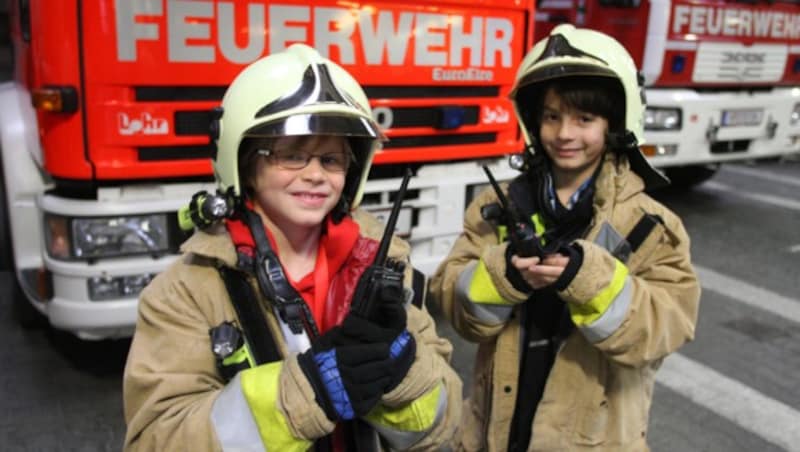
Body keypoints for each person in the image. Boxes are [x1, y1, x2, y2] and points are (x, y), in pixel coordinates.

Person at [123, 43, 462, 452]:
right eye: (293, 156)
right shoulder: (185, 293)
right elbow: (157, 440)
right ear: (245, 165)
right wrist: (307, 394)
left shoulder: (384, 265)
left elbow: (443, 423)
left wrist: (403, 372)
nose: (316, 175)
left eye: (332, 160)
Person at [429, 24, 701, 451]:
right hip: (494, 436)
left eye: (584, 118)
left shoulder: (650, 225)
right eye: (552, 116)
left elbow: (667, 327)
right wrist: (504, 279)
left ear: (616, 123)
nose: (565, 134)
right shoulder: (496, 206)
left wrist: (590, 279)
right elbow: (451, 296)